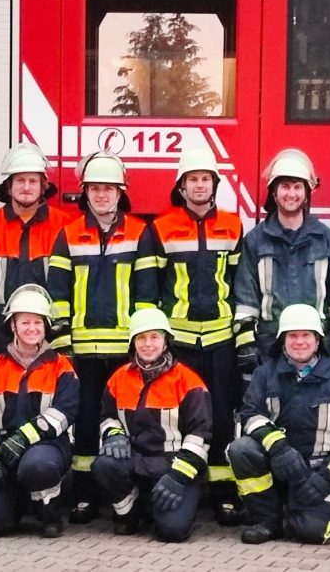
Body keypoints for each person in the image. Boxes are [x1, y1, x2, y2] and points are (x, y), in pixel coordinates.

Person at [48, 151, 159, 523]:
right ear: (85, 192)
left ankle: (123, 491)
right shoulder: (67, 235)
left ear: (120, 192)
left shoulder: (140, 233)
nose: (101, 195)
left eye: (108, 188)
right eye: (95, 188)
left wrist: (139, 348)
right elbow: (58, 296)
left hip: (124, 352)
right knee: (85, 421)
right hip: (83, 351)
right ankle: (83, 495)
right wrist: (63, 346)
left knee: (128, 420)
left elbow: (146, 296)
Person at [147, 148, 243, 525]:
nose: (199, 185)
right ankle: (184, 486)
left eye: (206, 179)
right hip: (181, 342)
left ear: (214, 185)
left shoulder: (234, 226)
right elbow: (149, 286)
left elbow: (240, 284)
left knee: (220, 417)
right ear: (181, 187)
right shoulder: (161, 227)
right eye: (192, 179)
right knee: (179, 417)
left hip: (220, 340)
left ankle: (221, 493)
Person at [228, 303, 330, 545]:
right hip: (277, 465)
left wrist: (327, 478)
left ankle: (293, 513)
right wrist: (279, 447)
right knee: (241, 449)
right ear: (282, 340)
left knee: (314, 533)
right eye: (292, 336)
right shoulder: (265, 374)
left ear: (318, 339)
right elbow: (250, 414)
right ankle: (267, 520)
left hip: (316, 474)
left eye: (306, 335)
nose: (299, 342)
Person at [92, 307, 212, 542]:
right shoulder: (119, 378)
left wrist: (179, 476)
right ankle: (130, 514)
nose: (148, 344)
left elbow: (201, 435)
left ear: (166, 341)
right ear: (133, 343)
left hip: (173, 466)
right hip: (136, 461)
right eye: (141, 338)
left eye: (155, 337)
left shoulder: (188, 381)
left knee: (172, 532)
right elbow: (107, 416)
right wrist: (114, 435)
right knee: (105, 464)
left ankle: (167, 506)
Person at [233, 149, 330, 379]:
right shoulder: (255, 242)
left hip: (318, 350)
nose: (291, 194)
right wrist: (246, 344)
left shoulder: (329, 242)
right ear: (274, 193)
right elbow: (246, 300)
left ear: (307, 193)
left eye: (298, 187)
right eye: (285, 187)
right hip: (270, 352)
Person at [0, 284, 78, 537]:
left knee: (37, 466)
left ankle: (49, 513)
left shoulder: (61, 367)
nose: (32, 329)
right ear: (13, 326)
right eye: (25, 322)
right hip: (3, 448)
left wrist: (22, 437)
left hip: (48, 447)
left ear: (46, 326)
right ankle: (19, 501)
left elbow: (64, 413)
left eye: (38, 323)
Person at [0, 143, 72, 354]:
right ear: (9, 187)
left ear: (43, 186)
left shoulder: (64, 227)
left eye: (32, 181)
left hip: (48, 331)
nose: (26, 187)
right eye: (20, 180)